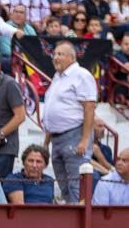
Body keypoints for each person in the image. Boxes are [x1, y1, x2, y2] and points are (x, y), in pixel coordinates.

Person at [42, 42, 97, 203]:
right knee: (63, 184)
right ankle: (70, 214)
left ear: (72, 57)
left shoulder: (81, 75)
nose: (55, 57)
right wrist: (46, 142)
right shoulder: (57, 77)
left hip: (74, 135)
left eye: (60, 54)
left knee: (76, 185)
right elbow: (51, 111)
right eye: (54, 54)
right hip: (56, 138)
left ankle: (80, 217)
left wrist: (84, 140)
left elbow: (89, 107)